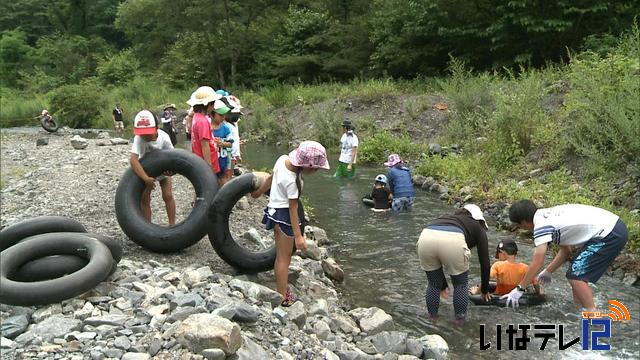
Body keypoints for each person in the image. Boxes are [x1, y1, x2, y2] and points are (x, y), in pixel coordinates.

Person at [503, 200, 628, 310]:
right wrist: (548, 271)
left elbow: (537, 262)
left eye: (519, 225)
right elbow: (566, 252)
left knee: (576, 276)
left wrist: (520, 289)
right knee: (576, 273)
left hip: (610, 233)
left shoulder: (541, 226)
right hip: (614, 227)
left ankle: (592, 317)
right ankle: (580, 312)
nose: (522, 228)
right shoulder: (546, 216)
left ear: (524, 221)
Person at [262, 141, 330, 306]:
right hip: (284, 217)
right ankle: (282, 297)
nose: (316, 172)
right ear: (308, 167)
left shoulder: (282, 159)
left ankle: (282, 291)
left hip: (273, 211)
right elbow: (293, 209)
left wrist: (257, 192)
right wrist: (299, 237)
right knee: (284, 259)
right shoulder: (293, 182)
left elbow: (271, 178)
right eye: (316, 169)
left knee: (280, 257)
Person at [416, 204, 491, 324]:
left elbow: (438, 255)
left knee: (433, 283)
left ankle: (432, 319)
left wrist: (442, 285)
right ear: (478, 218)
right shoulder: (477, 225)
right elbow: (485, 263)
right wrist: (485, 289)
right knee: (460, 285)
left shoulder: (447, 218)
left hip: (426, 236)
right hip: (453, 240)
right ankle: (459, 321)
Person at [129, 110, 176, 226]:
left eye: (148, 133)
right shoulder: (139, 139)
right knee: (145, 198)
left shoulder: (164, 137)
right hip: (146, 173)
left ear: (156, 127)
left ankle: (172, 224)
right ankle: (148, 226)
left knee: (168, 195)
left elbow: (174, 158)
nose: (145, 136)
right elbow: (133, 160)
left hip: (163, 171)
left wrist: (171, 171)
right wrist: (145, 178)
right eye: (142, 133)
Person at [470, 241, 540, 296]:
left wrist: (477, 291)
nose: (498, 256)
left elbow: (486, 278)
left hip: (500, 296)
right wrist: (538, 294)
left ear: (503, 252)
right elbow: (536, 282)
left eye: (498, 253)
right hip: (517, 297)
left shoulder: (498, 265)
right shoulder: (525, 267)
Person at [187, 86, 221, 174]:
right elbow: (204, 145)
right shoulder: (203, 121)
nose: (213, 108)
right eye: (213, 104)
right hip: (206, 163)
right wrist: (208, 167)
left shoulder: (196, 117)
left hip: (199, 161)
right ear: (208, 104)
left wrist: (212, 140)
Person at [211, 100, 233, 186]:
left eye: (224, 115)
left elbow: (230, 143)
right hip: (212, 159)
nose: (223, 117)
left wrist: (221, 143)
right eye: (220, 115)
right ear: (212, 114)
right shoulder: (207, 127)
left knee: (223, 179)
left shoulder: (226, 128)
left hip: (222, 160)